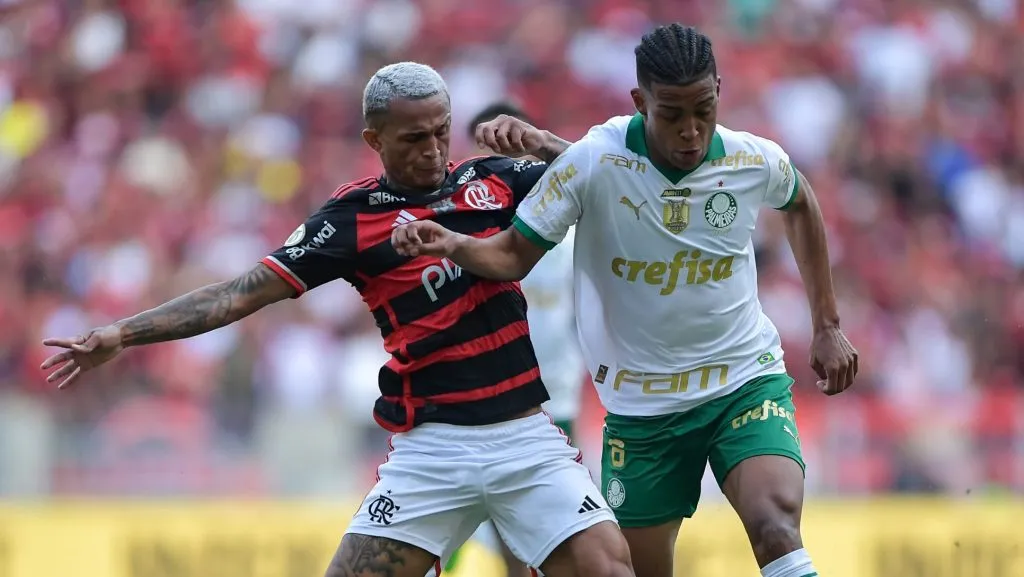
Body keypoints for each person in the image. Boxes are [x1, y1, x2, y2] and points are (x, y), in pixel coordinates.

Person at [40, 62, 634, 577]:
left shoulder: (495, 180)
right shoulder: (349, 221)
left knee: (609, 567)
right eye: (413, 138)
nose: (432, 149)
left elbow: (611, 179)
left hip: (524, 439)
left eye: (440, 131)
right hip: (433, 451)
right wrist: (123, 332)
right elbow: (239, 294)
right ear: (374, 139)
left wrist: (542, 143)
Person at [391, 26, 858, 577]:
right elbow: (513, 255)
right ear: (641, 102)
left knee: (775, 527)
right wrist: (451, 243)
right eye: (672, 114)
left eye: (704, 110)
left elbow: (800, 201)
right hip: (643, 411)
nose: (691, 130)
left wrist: (827, 324)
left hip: (742, 382)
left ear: (718, 92)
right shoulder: (593, 161)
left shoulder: (750, 158)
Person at [444, 103, 587, 577]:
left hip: (553, 404)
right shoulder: (460, 236)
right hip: (479, 402)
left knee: (543, 534)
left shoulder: (569, 236)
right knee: (461, 525)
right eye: (481, 156)